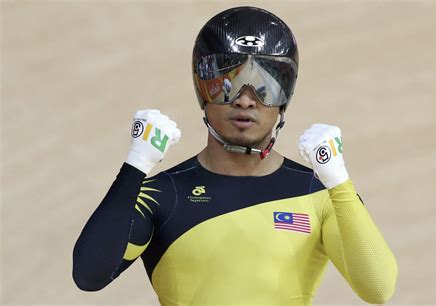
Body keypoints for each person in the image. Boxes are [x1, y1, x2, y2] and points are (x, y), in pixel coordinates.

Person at [73, 6, 398, 305]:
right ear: (202, 90)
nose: (245, 100)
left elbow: (378, 288)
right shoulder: (161, 196)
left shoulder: (322, 196)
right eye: (226, 84)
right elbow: (89, 275)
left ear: (285, 97)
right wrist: (136, 165)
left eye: (266, 86)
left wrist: (339, 180)